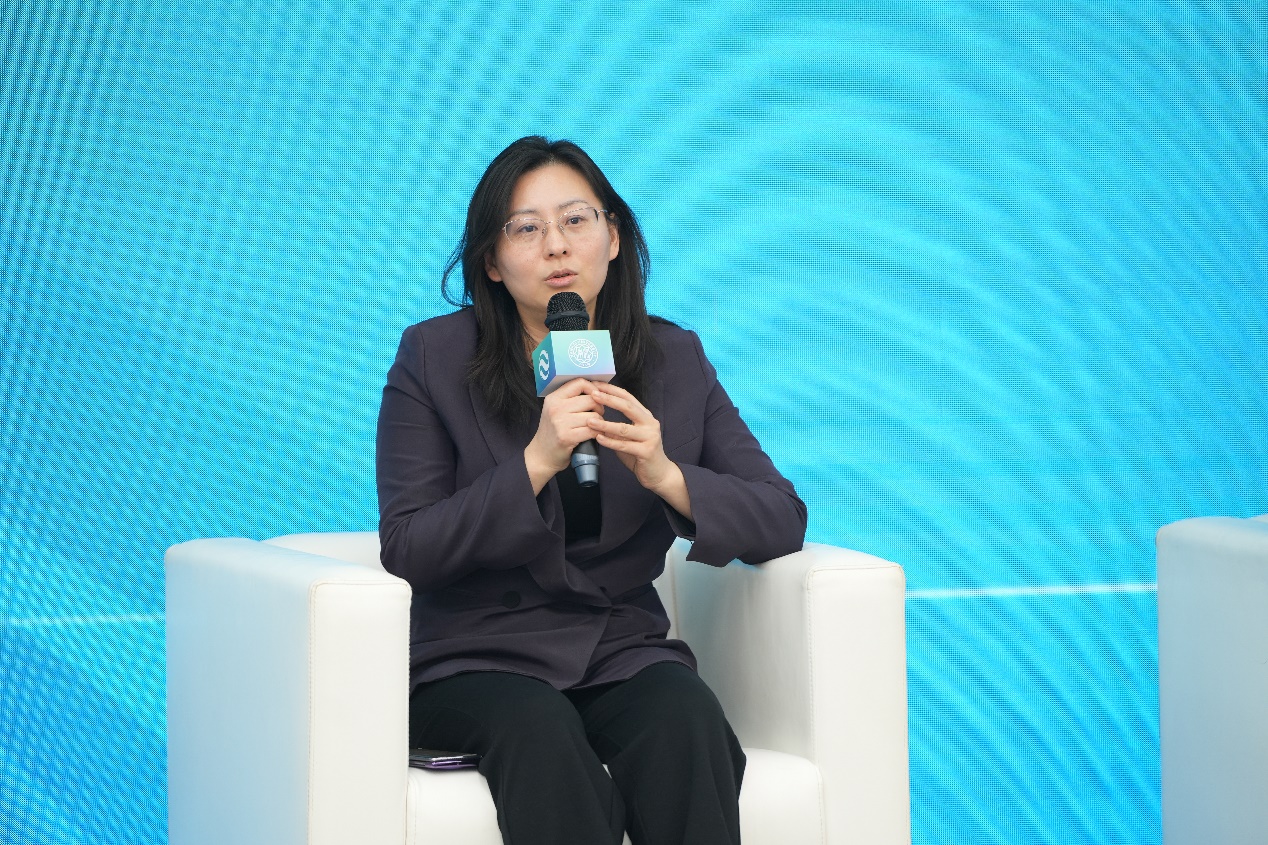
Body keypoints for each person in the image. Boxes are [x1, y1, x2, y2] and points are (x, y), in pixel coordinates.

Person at [376, 136, 807, 845]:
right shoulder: (433, 356)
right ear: (492, 261)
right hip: (474, 655)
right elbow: (408, 544)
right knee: (538, 729)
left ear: (614, 237)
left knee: (684, 717)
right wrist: (534, 464)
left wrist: (666, 474)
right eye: (526, 228)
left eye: (576, 220)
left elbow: (782, 516)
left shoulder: (674, 359)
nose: (556, 245)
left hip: (618, 646)